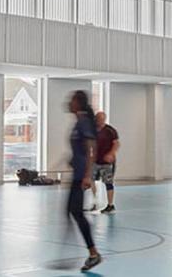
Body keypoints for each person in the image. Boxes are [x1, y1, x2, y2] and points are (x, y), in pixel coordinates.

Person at [67, 90, 102, 271]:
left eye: (72, 100)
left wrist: (88, 174)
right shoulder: (78, 123)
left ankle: (93, 254)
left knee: (76, 212)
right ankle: (92, 252)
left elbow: (91, 149)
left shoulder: (84, 123)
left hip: (81, 176)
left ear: (78, 103)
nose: (69, 103)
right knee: (73, 212)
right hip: (77, 173)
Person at [90, 111, 119, 214]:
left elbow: (116, 144)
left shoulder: (110, 131)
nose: (98, 120)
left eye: (100, 119)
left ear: (104, 119)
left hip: (107, 163)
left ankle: (110, 205)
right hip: (96, 161)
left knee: (108, 183)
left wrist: (111, 154)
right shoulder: (93, 131)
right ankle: (94, 202)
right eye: (97, 118)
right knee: (90, 180)